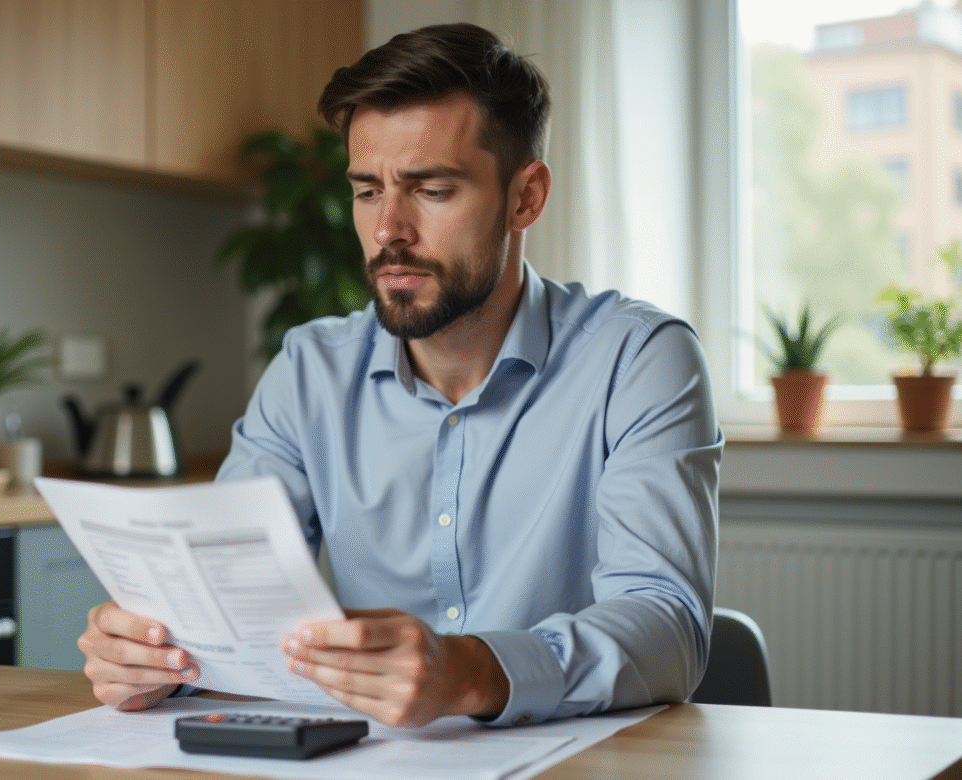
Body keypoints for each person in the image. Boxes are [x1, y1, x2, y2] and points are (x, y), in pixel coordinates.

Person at [78, 22, 722, 729]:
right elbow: (226, 600)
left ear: (525, 198)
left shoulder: (639, 360)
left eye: (432, 190)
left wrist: (474, 671)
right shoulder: (309, 371)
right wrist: (154, 658)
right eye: (366, 192)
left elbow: (668, 627)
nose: (388, 230)